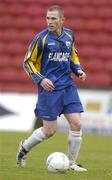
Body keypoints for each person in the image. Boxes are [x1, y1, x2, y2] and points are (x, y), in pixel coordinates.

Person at [16, 5, 87, 172]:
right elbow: (27, 62)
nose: (49, 21)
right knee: (49, 131)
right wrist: (40, 80)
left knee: (76, 124)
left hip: (68, 87)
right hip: (49, 89)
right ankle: (24, 148)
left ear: (62, 20)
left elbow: (72, 55)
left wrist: (78, 70)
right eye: (47, 18)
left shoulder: (69, 35)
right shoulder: (40, 39)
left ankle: (71, 164)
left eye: (53, 18)